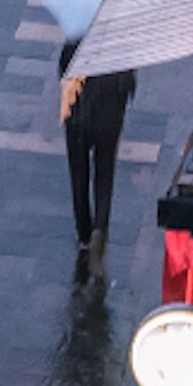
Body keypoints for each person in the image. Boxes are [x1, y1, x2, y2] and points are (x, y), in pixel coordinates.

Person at [64, 65, 134, 271]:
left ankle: (84, 233)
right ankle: (100, 229)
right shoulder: (121, 47)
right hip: (109, 114)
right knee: (105, 172)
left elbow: (64, 65)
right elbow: (128, 82)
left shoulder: (78, 37)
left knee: (78, 174)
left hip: (78, 113)